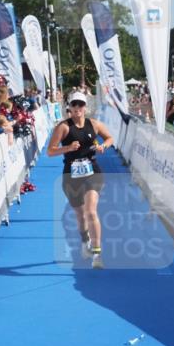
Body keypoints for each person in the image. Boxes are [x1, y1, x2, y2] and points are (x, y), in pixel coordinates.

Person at [46, 91, 114, 269]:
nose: (77, 108)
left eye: (81, 104)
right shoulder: (63, 127)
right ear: (69, 107)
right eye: (74, 104)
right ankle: (85, 242)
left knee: (91, 211)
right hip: (71, 175)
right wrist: (67, 148)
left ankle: (97, 254)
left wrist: (103, 146)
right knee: (80, 214)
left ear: (85, 107)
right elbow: (50, 151)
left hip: (92, 172)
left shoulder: (94, 124)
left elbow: (109, 138)